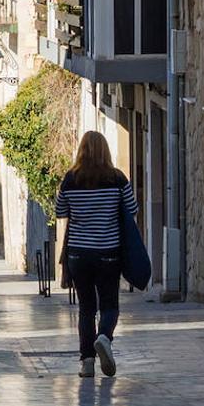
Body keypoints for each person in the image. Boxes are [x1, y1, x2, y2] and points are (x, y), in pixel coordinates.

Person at [54, 131, 137, 378]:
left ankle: (87, 362)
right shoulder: (117, 179)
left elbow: (60, 211)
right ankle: (104, 337)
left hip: (79, 254)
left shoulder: (71, 179)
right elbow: (132, 209)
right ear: (105, 151)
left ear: (81, 150)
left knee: (86, 308)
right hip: (108, 252)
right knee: (110, 304)